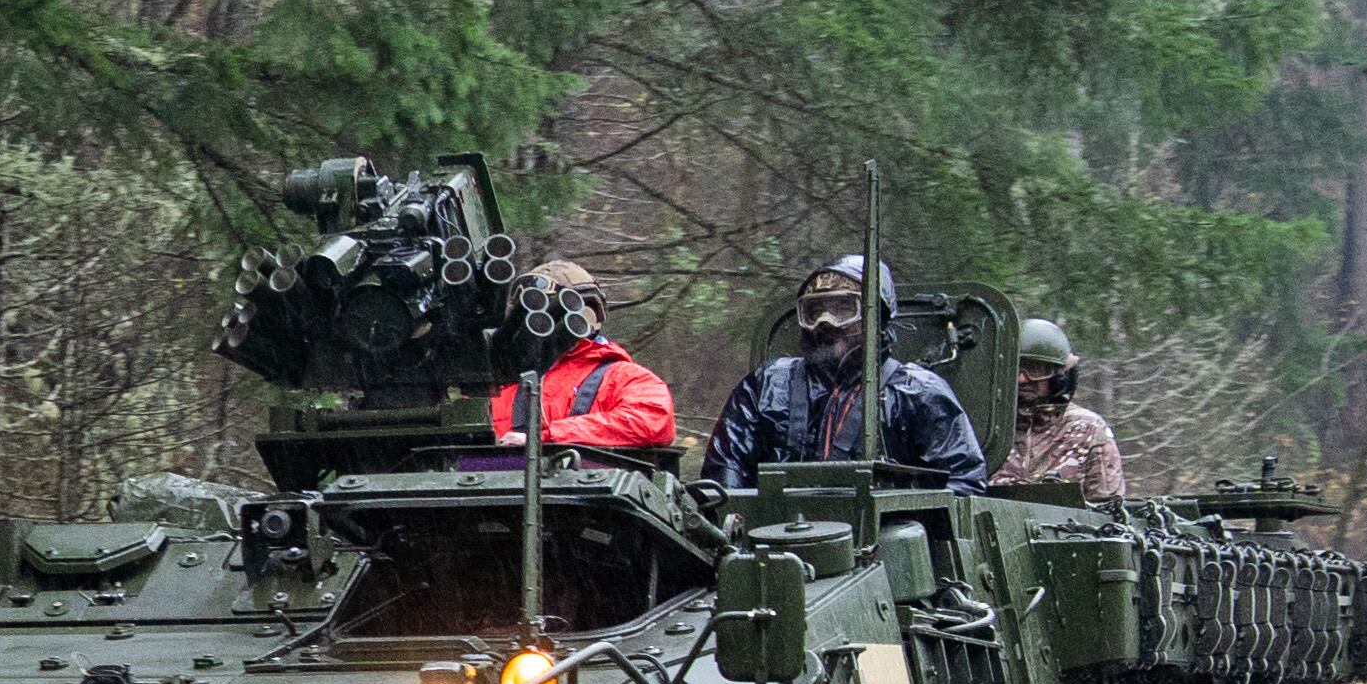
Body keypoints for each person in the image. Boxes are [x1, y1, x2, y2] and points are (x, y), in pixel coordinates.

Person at [701, 255, 988, 492]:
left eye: (843, 309)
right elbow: (725, 473)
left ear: (877, 317)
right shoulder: (766, 384)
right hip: (770, 544)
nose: (826, 323)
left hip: (880, 548)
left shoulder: (918, 393)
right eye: (814, 311)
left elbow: (962, 482)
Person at [482, 260, 677, 453]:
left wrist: (548, 436)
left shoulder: (624, 378)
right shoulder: (500, 380)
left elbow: (652, 420)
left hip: (583, 479)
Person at [999, 317, 1125, 495]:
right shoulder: (986, 427)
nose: (1022, 379)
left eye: (1035, 369)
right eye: (1015, 369)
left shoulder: (1087, 430)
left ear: (1058, 377)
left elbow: (1105, 508)